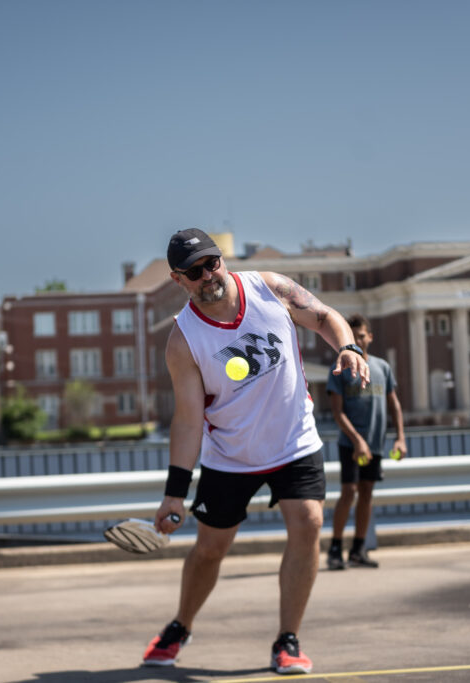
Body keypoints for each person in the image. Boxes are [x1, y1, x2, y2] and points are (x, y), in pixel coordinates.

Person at [142, 228, 369, 676]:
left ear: (221, 260)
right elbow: (187, 419)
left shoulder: (269, 288)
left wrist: (347, 347)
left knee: (308, 522)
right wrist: (174, 494)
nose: (208, 275)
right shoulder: (183, 341)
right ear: (177, 279)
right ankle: (180, 625)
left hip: (294, 440)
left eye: (212, 263)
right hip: (231, 455)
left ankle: (288, 640)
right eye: (194, 271)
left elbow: (324, 316)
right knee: (211, 548)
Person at [325, 313, 407, 570]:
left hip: (375, 443)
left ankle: (358, 550)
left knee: (367, 492)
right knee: (349, 491)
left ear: (370, 337)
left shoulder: (382, 367)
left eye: (362, 335)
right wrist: (357, 441)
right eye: (353, 337)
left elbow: (394, 405)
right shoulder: (339, 368)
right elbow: (337, 413)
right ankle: (335, 548)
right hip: (351, 445)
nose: (358, 340)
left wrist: (400, 438)